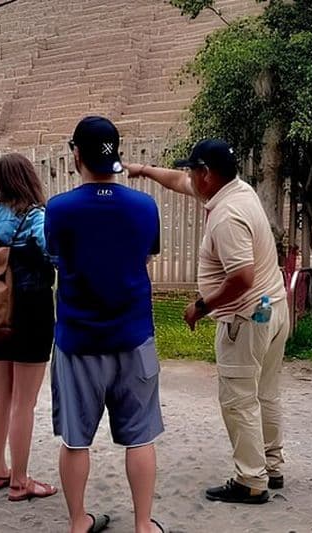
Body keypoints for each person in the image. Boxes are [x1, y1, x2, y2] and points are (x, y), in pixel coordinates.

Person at [125, 139, 290, 505]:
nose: (187, 177)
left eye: (192, 171)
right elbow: (177, 182)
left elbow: (242, 276)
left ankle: (250, 480)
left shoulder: (227, 216)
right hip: (272, 306)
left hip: (246, 318)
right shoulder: (237, 190)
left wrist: (201, 306)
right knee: (265, 392)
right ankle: (272, 465)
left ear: (207, 175)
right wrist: (143, 171)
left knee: (239, 399)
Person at [45, 116, 165, 533]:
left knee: (75, 441)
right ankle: (143, 525)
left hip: (78, 341)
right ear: (117, 153)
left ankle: (79, 522)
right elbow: (146, 258)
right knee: (141, 437)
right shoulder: (145, 207)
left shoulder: (58, 210)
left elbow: (58, 260)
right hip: (133, 337)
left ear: (75, 154)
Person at [0, 152, 58, 502]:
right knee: (25, 401)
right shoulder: (37, 216)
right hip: (31, 311)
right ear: (28, 179)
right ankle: (21, 481)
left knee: (0, 396)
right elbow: (54, 253)